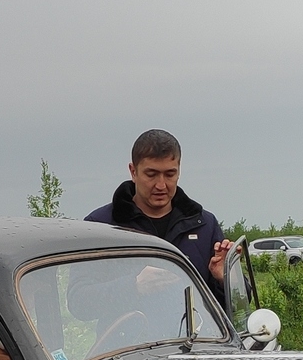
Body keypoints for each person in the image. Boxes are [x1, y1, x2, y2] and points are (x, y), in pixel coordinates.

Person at [85, 129, 228, 302]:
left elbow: (235, 304)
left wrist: (225, 278)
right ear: (133, 171)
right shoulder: (100, 227)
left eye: (170, 174)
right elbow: (79, 301)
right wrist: (134, 287)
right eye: (151, 175)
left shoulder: (204, 224)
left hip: (195, 329)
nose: (161, 185)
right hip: (127, 328)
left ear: (179, 171)